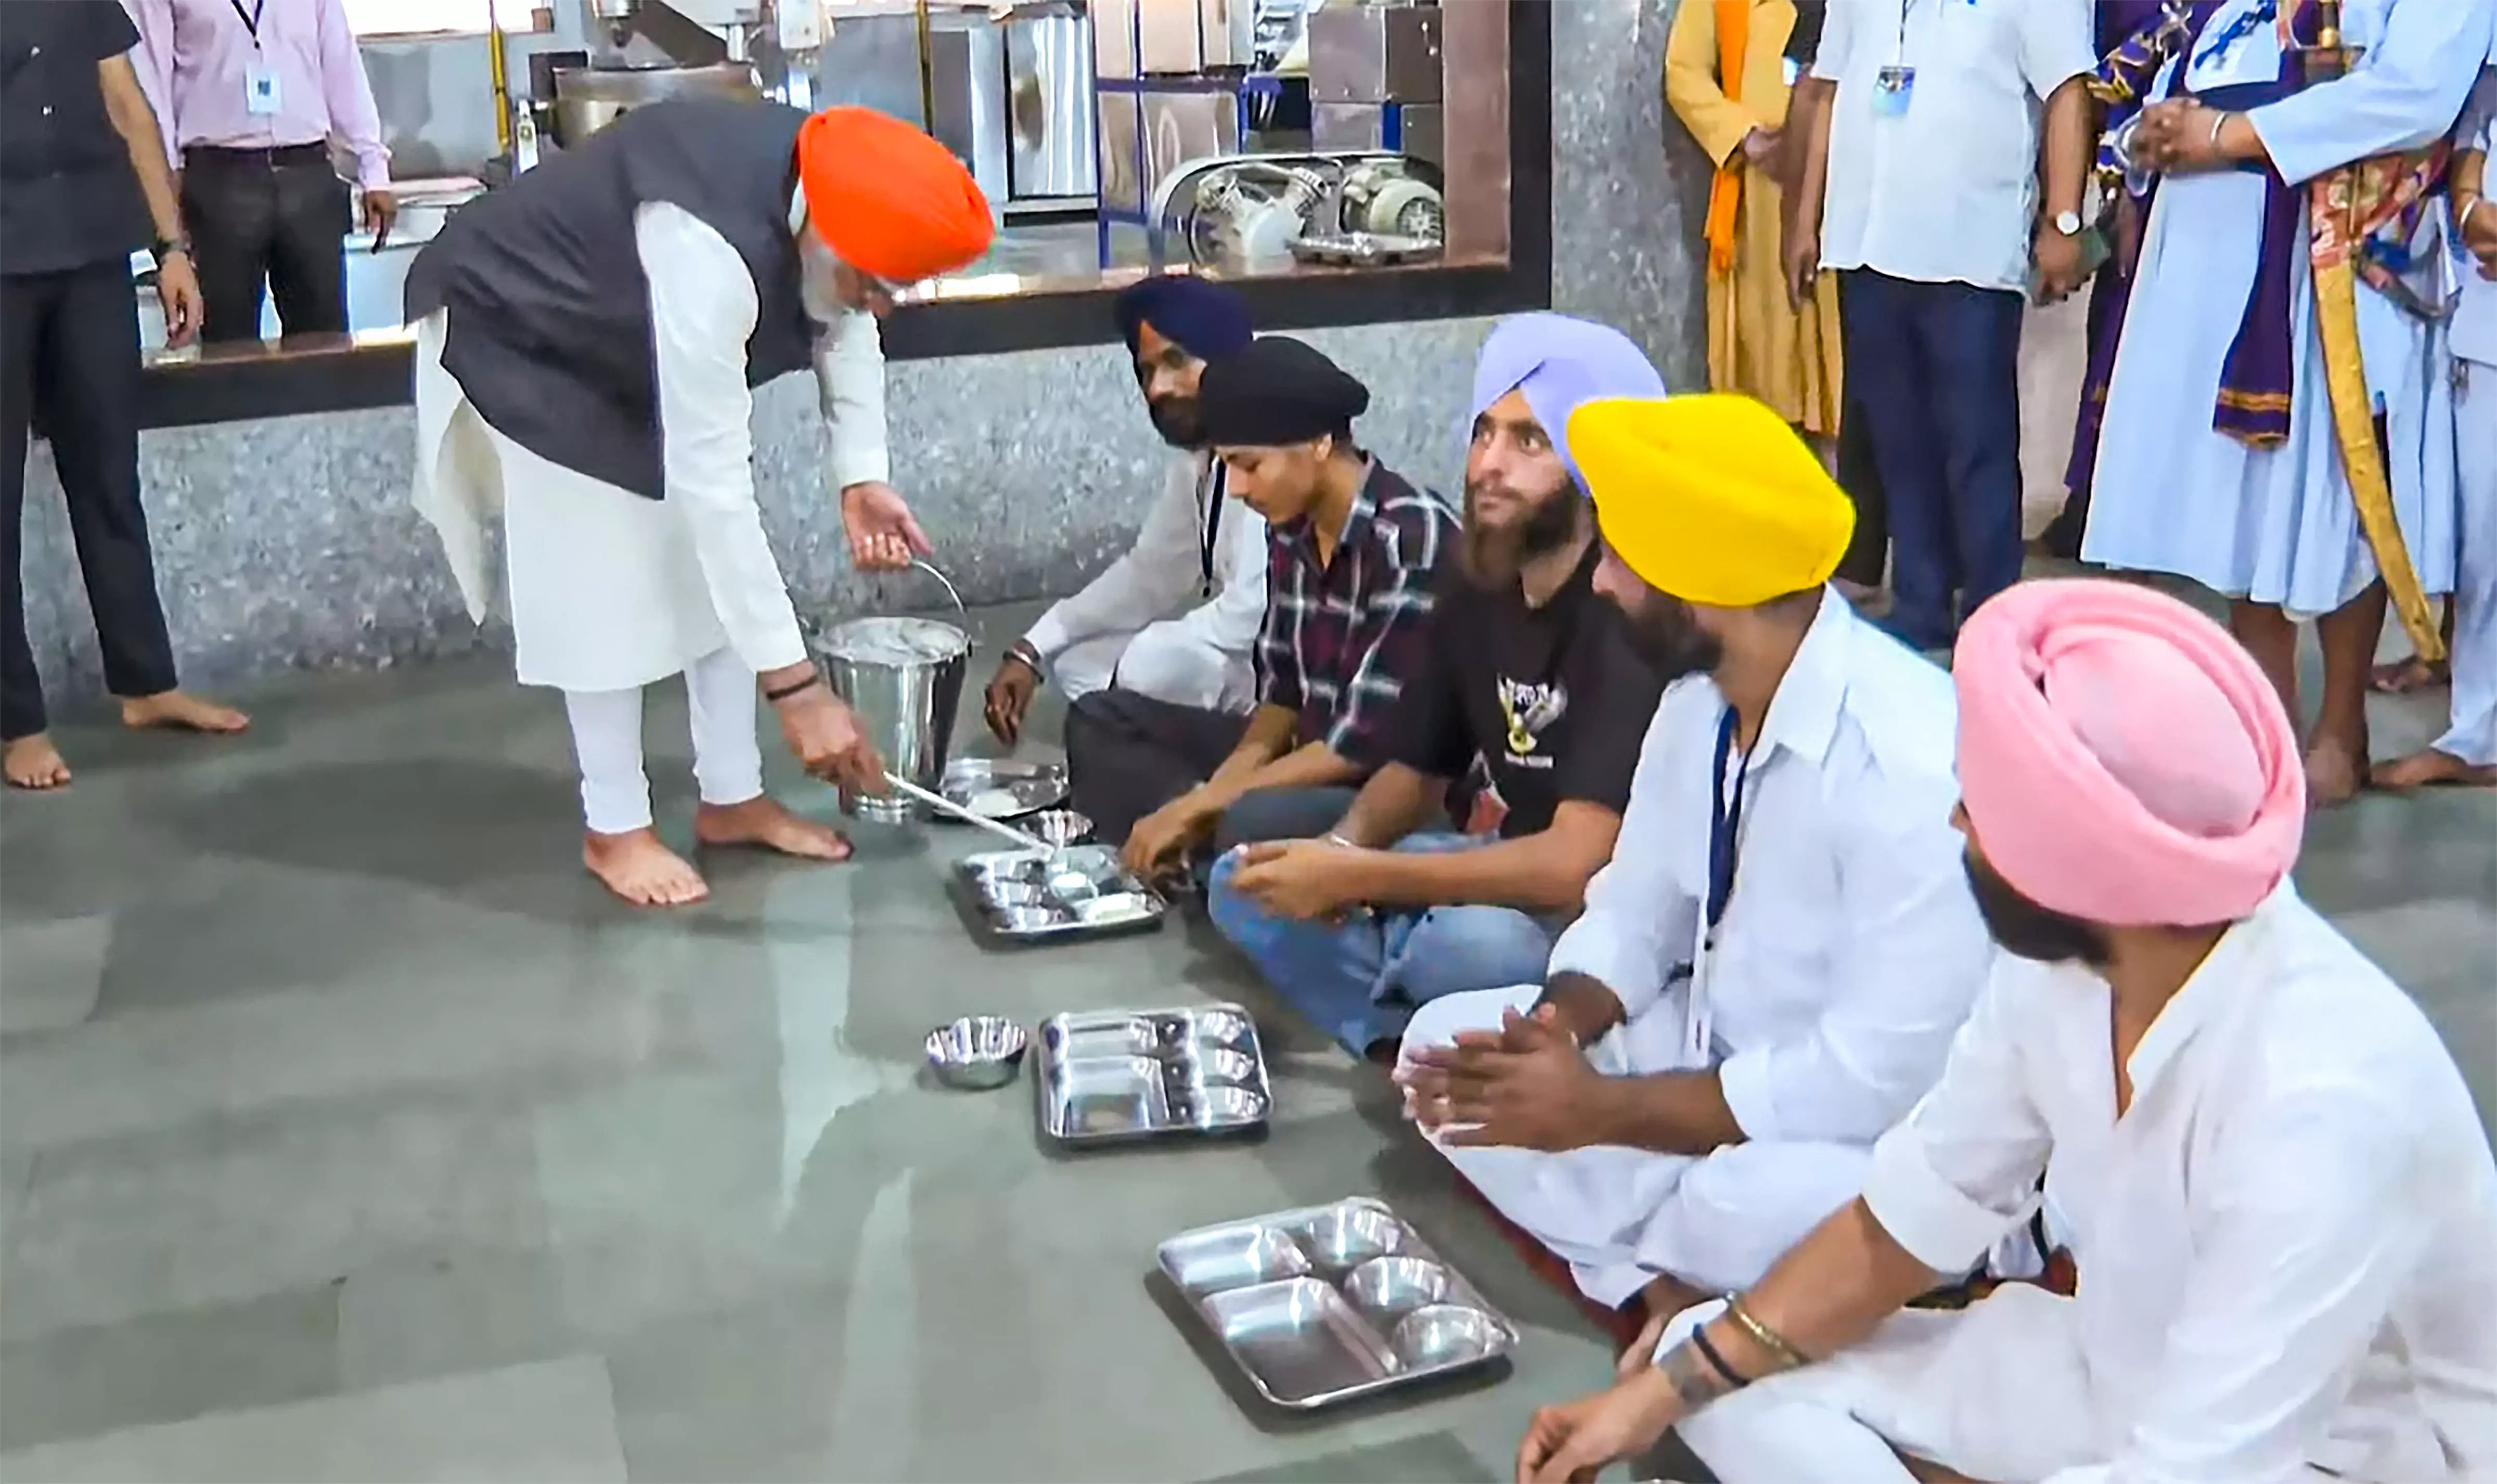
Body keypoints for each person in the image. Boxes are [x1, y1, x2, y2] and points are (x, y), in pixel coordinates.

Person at [1514, 578, 2497, 1484]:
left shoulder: (2324, 1096)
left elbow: (2199, 1467)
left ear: (2078, 859)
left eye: (1981, 804)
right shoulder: (2060, 966)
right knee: (1716, 1368)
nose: (1952, 821)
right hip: (2111, 1364)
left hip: (2348, 1456)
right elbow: (1901, 1220)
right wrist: (1657, 1392)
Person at [1396, 393, 1992, 1330]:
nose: (1601, 584)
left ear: (1708, 583)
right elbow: (1636, 914)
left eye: (1627, 560)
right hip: (1702, 1050)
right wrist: (1553, 1035)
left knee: (1743, 1204)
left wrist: (1600, 1115)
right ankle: (1678, 1278)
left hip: (1866, 1127)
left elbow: (1869, 1077)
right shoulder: (1698, 702)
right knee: (1439, 1055)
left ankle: (1678, 1254)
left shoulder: (1910, 764)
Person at [404, 101, 992, 906]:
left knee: (709, 574)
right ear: (820, 233)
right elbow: (715, 490)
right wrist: (797, 691)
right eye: (869, 282)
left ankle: (733, 798)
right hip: (528, 327)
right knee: (602, 580)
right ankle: (614, 829)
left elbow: (849, 323)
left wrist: (861, 475)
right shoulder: (704, 249)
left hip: (626, 335)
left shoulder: (838, 198)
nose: (878, 303)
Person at [1204, 315, 1670, 1061]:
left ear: (1594, 469)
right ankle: (1401, 1034)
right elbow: (1419, 769)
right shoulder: (1477, 578)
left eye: (1529, 442)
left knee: (1469, 944)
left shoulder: (1625, 607)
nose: (1489, 464)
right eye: (1483, 433)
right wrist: (1336, 857)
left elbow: (1573, 864)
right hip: (1494, 867)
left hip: (1592, 916)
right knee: (1244, 876)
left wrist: (1366, 875)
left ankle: (1419, 1008)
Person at [2081, 0, 2495, 805]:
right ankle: (2264, 718)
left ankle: (2340, 733)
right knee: (2244, 490)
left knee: (2346, 485)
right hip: (2212, 244)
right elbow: (2185, 61)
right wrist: (2153, 135)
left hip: (2340, 250)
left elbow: (2416, 94)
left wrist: (2228, 136)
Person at [1065, 334, 1456, 874]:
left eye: (1250, 466)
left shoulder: (1411, 540)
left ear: (1319, 443)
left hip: (1384, 793)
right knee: (1098, 717)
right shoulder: (1291, 529)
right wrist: (1215, 790)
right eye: (1229, 467)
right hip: (1306, 755)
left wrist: (1206, 802)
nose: (1241, 489)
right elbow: (1282, 700)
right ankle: (1204, 858)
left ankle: (1207, 857)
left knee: (1247, 820)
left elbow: (1358, 749)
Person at [1789, 0, 2097, 651]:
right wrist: (1803, 220)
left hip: (1969, 250)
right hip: (1865, 243)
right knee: (1899, 441)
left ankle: (1994, 619)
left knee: (1975, 446)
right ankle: (1922, 603)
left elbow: (2067, 90)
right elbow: (1828, 89)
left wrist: (2063, 220)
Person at [3, 0, 245, 793]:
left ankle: (146, 682)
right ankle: (18, 722)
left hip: (93, 255)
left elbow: (127, 106)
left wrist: (170, 246)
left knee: (109, 478)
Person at [981, 275, 1267, 745]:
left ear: (1227, 358)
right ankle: (1157, 735)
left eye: (1176, 361)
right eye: (1146, 372)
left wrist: (1149, 652)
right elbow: (1149, 575)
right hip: (1235, 666)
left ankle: (1227, 753)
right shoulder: (1200, 462)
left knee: (1148, 661)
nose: (1158, 390)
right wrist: (1033, 646)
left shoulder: (1271, 448)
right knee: (1077, 662)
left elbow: (1247, 617)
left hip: (1287, 685)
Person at [125, 0, 392, 343]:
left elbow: (342, 65)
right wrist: (167, 178)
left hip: (307, 172)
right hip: (219, 180)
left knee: (325, 343)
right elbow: (150, 84)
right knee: (227, 344)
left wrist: (374, 168)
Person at [2380, 63, 2497, 790]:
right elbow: (2472, 150)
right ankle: (2479, 732)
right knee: (2485, 542)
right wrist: (2468, 213)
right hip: (2485, 322)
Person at [1666, 0, 1843, 444]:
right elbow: (1683, 71)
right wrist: (1747, 138)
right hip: (1760, 202)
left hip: (1848, 192)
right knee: (1766, 396)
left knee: (1852, 389)